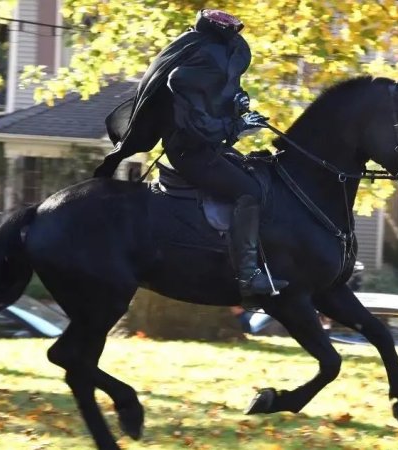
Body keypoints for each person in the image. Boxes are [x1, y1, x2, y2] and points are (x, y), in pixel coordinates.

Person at [93, 10, 288, 300]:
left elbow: (212, 109)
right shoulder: (193, 73)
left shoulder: (199, 55)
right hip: (191, 152)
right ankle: (247, 276)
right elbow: (200, 126)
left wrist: (237, 107)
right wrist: (237, 125)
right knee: (249, 192)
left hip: (204, 148)